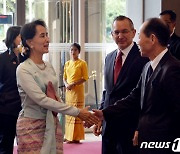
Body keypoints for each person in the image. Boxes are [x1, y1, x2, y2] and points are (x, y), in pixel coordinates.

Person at [93, 18, 180, 154]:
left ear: (152, 39)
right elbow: (134, 97)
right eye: (116, 32)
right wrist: (104, 113)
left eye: (139, 36)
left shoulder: (172, 69)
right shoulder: (148, 66)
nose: (138, 41)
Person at [16, 19, 98, 154]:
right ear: (30, 42)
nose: (47, 39)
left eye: (47, 35)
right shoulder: (23, 69)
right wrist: (77, 112)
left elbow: (56, 98)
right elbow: (42, 100)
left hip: (52, 124)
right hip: (31, 126)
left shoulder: (48, 66)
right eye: (42, 36)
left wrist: (82, 114)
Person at [93, 15, 148, 154]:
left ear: (134, 33)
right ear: (112, 34)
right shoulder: (109, 57)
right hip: (109, 127)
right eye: (116, 32)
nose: (120, 35)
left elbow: (144, 97)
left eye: (124, 31)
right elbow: (107, 91)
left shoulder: (144, 58)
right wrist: (100, 117)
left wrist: (140, 127)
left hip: (130, 127)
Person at [0, 26, 22, 154]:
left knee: (23, 143)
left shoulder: (23, 57)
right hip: (6, 106)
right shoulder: (3, 58)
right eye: (19, 36)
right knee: (6, 142)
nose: (21, 39)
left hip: (21, 106)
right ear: (13, 38)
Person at [63, 43, 88, 143]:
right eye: (71, 50)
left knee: (77, 113)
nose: (73, 52)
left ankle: (76, 137)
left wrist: (73, 84)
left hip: (77, 92)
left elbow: (84, 78)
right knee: (69, 113)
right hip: (69, 92)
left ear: (79, 52)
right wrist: (66, 85)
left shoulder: (82, 63)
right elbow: (64, 77)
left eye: (75, 50)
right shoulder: (67, 64)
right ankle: (68, 136)